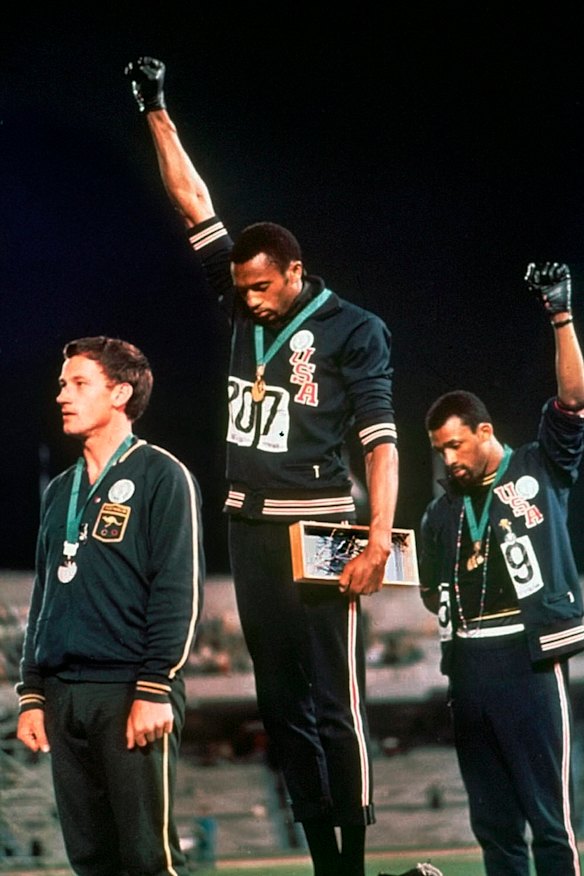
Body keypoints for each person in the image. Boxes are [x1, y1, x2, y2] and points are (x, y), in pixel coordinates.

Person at [124, 58, 399, 876]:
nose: (247, 300)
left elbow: (381, 442)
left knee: (335, 703)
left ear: (295, 273)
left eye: (261, 288)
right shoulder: (242, 296)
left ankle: (353, 859)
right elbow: (194, 204)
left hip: (322, 529)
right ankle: (322, 860)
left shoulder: (356, 330)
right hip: (248, 526)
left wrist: (378, 538)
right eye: (240, 289)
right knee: (282, 708)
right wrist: (156, 109)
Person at [16, 336, 204, 876]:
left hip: (129, 693)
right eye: (61, 384)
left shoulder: (162, 476)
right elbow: (44, 596)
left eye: (79, 384)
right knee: (92, 860)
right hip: (61, 695)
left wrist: (154, 686)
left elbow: (177, 591)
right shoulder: (59, 492)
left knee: (150, 860)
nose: (62, 396)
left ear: (120, 393)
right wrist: (32, 694)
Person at [418, 262, 584, 876]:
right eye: (440, 450)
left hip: (528, 657)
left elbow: (573, 400)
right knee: (493, 825)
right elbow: (428, 587)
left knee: (549, 819)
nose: (449, 458)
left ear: (485, 431)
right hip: (466, 666)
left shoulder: (541, 467)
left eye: (457, 445)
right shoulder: (441, 511)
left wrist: (560, 314)